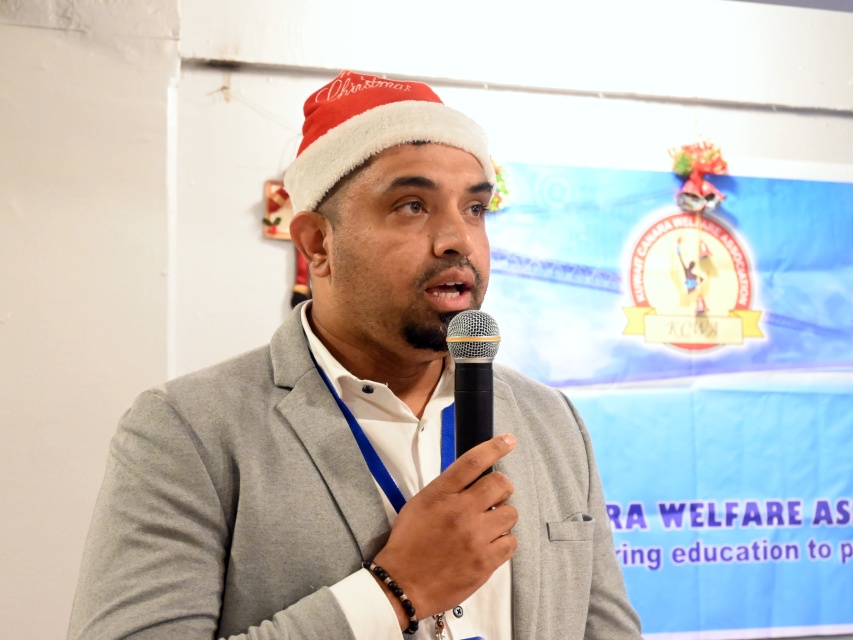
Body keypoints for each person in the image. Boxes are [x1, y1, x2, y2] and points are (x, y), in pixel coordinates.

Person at [68, 70, 643, 640]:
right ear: (317, 243)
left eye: (474, 209)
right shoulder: (189, 429)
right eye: (412, 205)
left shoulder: (550, 420)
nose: (459, 240)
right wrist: (394, 590)